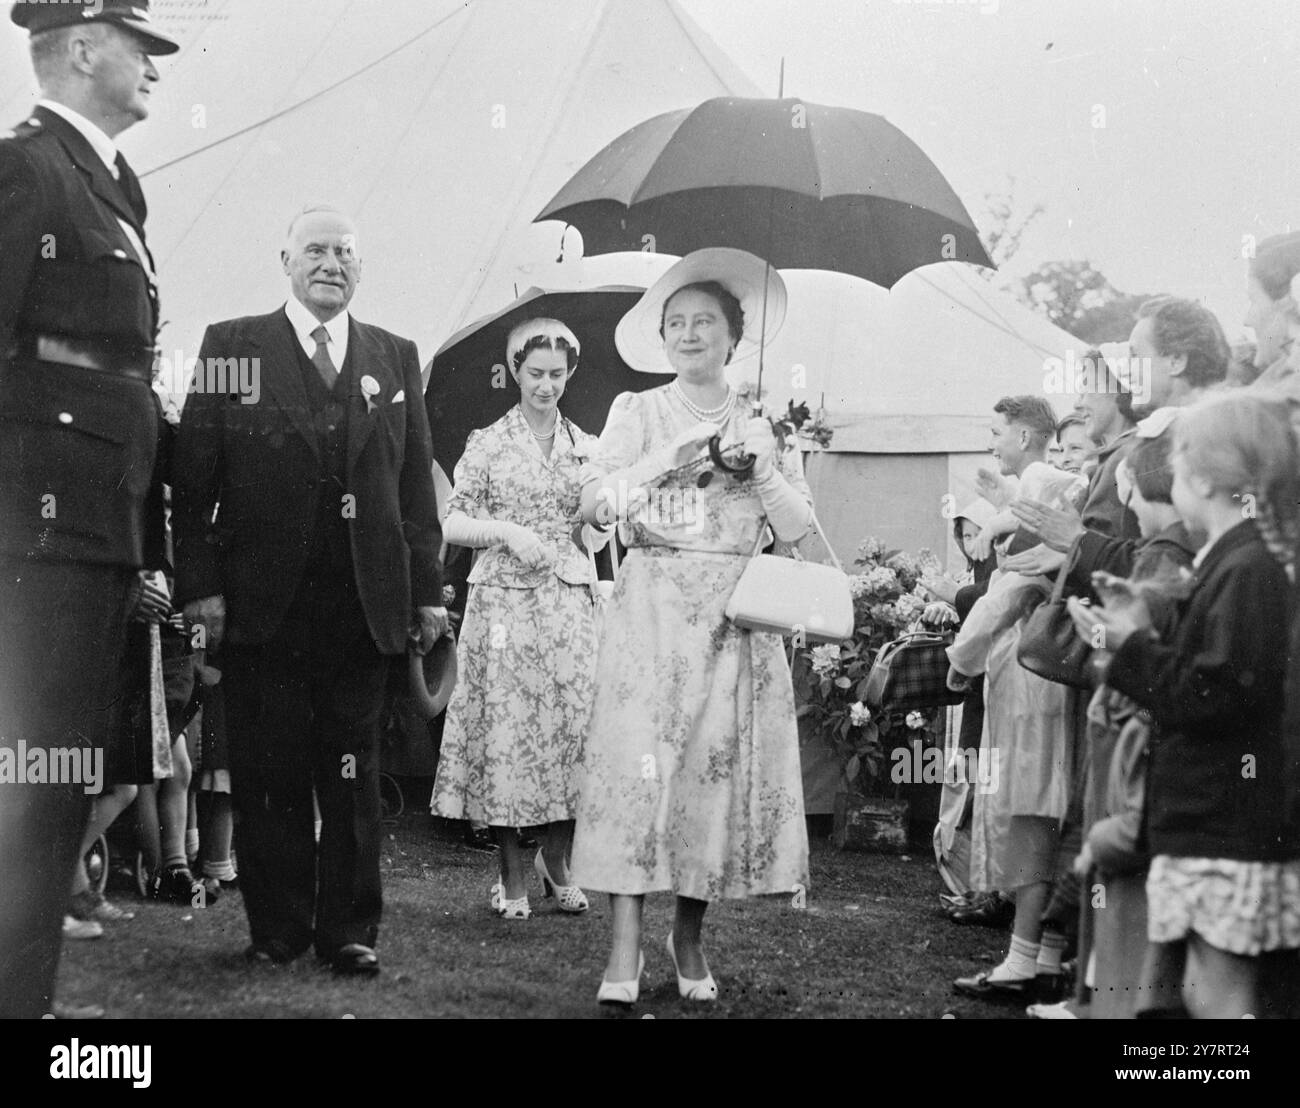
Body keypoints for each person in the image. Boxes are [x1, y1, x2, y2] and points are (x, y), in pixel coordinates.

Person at [172, 205, 447, 976]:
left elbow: (415, 493)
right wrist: (200, 589)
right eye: (317, 250)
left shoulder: (394, 356)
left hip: (363, 609)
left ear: (361, 268)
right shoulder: (233, 347)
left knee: (353, 774)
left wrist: (427, 593)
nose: (332, 263)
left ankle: (350, 932)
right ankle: (279, 930)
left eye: (346, 252)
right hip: (263, 608)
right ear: (284, 259)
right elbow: (191, 487)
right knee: (269, 773)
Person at [570, 249, 812, 1005]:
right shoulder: (636, 413)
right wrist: (675, 457)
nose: (688, 333)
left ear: (733, 338)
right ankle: (622, 952)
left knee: (709, 780)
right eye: (675, 323)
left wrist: (765, 465)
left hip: (734, 619)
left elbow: (799, 530)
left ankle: (689, 937)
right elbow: (593, 504)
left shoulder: (764, 421)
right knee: (637, 779)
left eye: (704, 321)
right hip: (650, 614)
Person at [0, 0, 179, 1020]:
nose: (153, 63)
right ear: (79, 47)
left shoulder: (113, 186)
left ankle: (26, 995)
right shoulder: (24, 168)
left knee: (59, 782)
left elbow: (124, 377)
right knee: (25, 781)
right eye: (137, 43)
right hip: (32, 533)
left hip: (93, 530)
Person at [1069, 391, 1300, 1018]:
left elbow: (1216, 693)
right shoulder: (1236, 560)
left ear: (1198, 474)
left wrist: (1130, 646)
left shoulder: (1248, 567)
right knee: (1197, 998)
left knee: (1221, 1004)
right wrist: (1147, 619)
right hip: (1211, 822)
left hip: (1223, 825)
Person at [431, 318, 600, 919]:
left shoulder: (586, 444)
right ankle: (510, 875)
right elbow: (450, 522)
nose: (546, 385)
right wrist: (504, 532)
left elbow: (594, 527)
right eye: (535, 373)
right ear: (514, 371)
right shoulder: (488, 441)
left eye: (557, 374)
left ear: (570, 374)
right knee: (505, 734)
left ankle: (555, 862)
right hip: (503, 603)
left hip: (569, 603)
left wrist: (600, 520)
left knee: (575, 733)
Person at [948, 396, 1087, 1002]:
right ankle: (1047, 952)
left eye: (999, 431)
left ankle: (1023, 956)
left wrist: (958, 663)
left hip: (1031, 679)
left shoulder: (1035, 542)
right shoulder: (1061, 513)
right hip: (1065, 677)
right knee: (1055, 812)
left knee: (1029, 812)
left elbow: (999, 600)